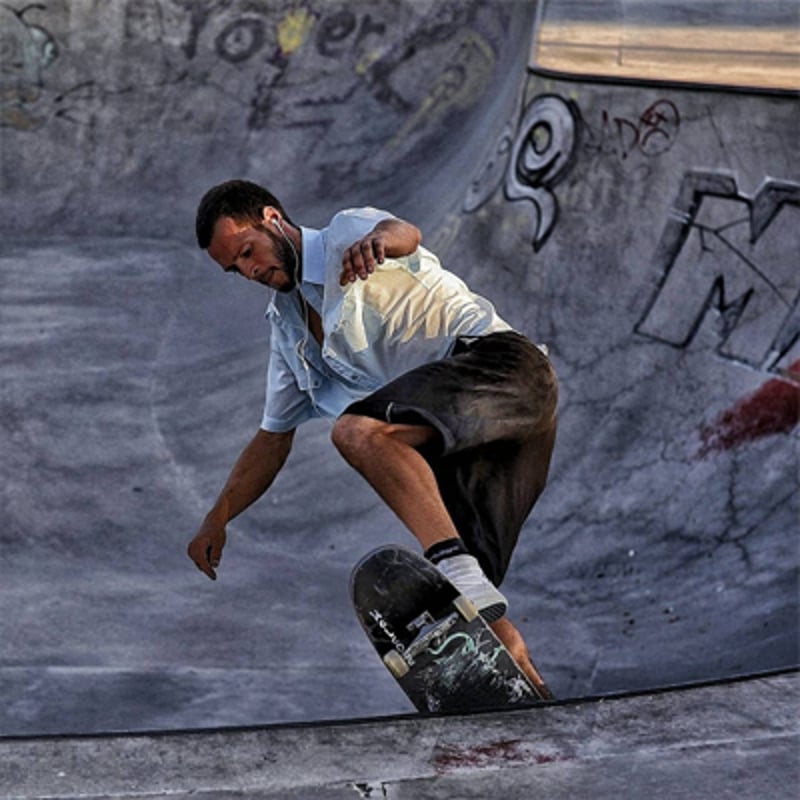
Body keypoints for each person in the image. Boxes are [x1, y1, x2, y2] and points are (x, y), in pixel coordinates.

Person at [187, 179, 558, 694]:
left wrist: (380, 242)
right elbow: (272, 439)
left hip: (506, 373)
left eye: (248, 251)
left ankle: (459, 574)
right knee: (477, 617)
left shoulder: (346, 234)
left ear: (273, 219)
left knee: (360, 433)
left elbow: (404, 233)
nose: (250, 270)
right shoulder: (289, 332)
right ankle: (532, 702)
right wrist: (218, 515)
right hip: (463, 442)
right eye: (236, 269)